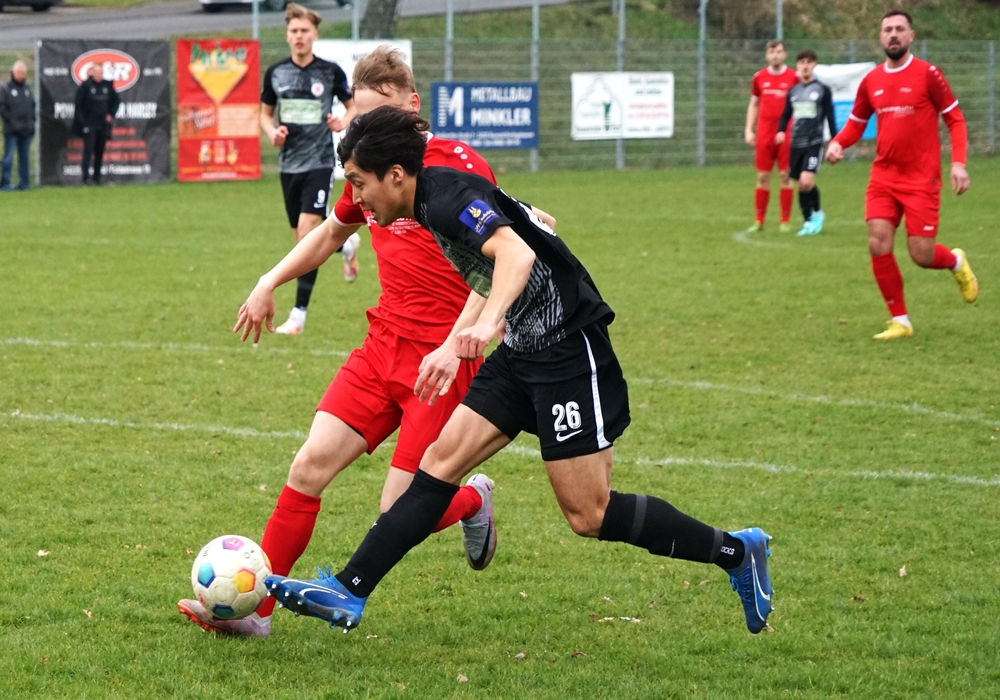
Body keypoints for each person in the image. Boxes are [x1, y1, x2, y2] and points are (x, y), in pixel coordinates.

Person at [261, 106, 776, 636]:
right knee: (439, 463)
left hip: (568, 350)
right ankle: (349, 590)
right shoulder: (428, 198)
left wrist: (483, 328)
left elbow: (516, 254)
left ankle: (737, 552)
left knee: (588, 514)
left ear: (395, 176)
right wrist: (461, 339)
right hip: (524, 350)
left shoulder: (444, 197)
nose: (358, 198)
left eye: (359, 183)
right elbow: (523, 227)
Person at [179, 47, 502, 638]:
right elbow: (332, 233)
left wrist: (461, 341)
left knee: (398, 513)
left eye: (385, 115)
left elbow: (496, 264)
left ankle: (472, 501)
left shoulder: (456, 165)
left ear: (414, 106)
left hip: (441, 359)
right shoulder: (368, 170)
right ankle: (260, 615)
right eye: (362, 117)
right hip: (381, 347)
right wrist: (268, 280)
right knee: (307, 467)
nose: (373, 130)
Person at [826, 9, 978, 340]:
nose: (893, 34)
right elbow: (856, 123)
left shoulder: (928, 74)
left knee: (921, 255)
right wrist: (838, 143)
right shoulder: (872, 81)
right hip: (884, 176)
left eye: (899, 29)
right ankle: (901, 321)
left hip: (922, 178)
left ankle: (954, 261)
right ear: (881, 38)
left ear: (911, 37)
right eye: (887, 30)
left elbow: (956, 119)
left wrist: (959, 162)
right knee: (878, 242)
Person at [261, 2, 360, 336]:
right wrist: (272, 131)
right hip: (288, 166)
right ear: (287, 36)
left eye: (304, 31)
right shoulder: (275, 72)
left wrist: (341, 121)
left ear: (314, 34)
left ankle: (298, 316)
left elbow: (353, 107)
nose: (299, 36)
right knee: (302, 241)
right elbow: (264, 113)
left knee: (306, 234)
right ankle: (346, 246)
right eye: (293, 31)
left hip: (319, 163)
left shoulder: (329, 72)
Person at [776, 50, 836, 236]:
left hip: (814, 142)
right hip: (796, 144)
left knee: (806, 181)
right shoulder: (793, 91)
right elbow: (786, 114)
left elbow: (829, 116)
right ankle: (808, 222)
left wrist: (835, 140)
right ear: (797, 66)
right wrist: (780, 131)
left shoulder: (822, 90)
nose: (805, 66)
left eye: (809, 62)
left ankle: (817, 213)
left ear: (814, 65)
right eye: (802, 62)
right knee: (800, 185)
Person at [745, 39, 799, 234]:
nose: (775, 55)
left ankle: (785, 221)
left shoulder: (794, 77)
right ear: (767, 55)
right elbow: (754, 104)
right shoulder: (759, 77)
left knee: (785, 175)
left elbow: (799, 106)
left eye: (779, 51)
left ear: (785, 54)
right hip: (765, 133)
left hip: (786, 133)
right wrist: (749, 129)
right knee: (762, 176)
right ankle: (759, 220)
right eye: (772, 52)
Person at [73, 63, 118, 186]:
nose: (98, 75)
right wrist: (83, 123)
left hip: (102, 125)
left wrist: (111, 114)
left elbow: (116, 101)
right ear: (91, 73)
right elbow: (78, 106)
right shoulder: (85, 86)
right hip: (89, 124)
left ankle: (97, 178)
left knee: (100, 152)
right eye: (96, 73)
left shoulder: (107, 86)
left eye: (100, 73)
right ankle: (86, 178)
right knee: (88, 151)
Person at [0, 61, 35, 192]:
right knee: (8, 158)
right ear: (13, 73)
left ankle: (25, 183)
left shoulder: (27, 88)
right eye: (19, 72)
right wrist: (13, 122)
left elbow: (32, 107)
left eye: (23, 73)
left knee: (24, 158)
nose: (21, 75)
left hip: (26, 131)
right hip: (12, 131)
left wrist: (31, 123)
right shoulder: (6, 88)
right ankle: (5, 184)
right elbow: (2, 108)